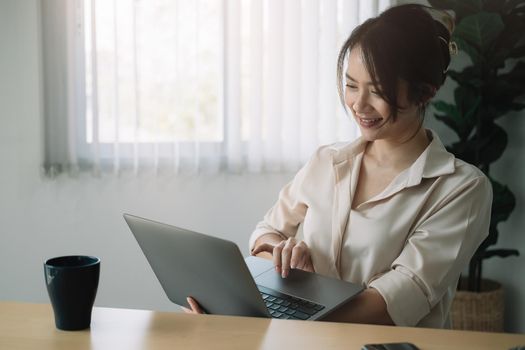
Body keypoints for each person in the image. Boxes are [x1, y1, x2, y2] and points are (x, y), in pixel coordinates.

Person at [184, 4, 492, 328]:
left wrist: (289, 321)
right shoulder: (327, 161)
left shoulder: (461, 189)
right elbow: (265, 234)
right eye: (351, 85)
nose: (358, 105)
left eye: (377, 91)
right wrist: (284, 255)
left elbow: (397, 301)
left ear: (424, 91)